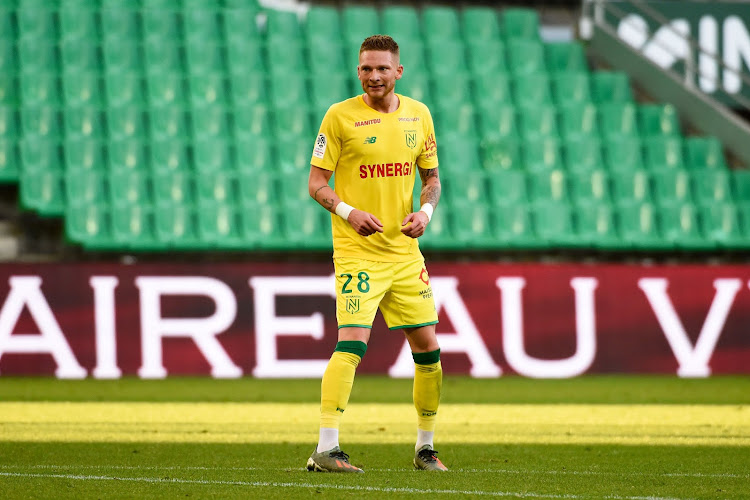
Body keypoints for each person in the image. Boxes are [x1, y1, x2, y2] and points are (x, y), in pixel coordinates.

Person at [305, 34, 447, 473]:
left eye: (382, 68)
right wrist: (348, 212)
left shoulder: (419, 116)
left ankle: (425, 449)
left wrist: (425, 212)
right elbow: (316, 184)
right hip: (358, 253)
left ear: (398, 72)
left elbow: (432, 180)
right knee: (352, 344)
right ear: (358, 71)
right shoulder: (339, 116)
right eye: (366, 68)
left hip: (405, 254)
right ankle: (327, 449)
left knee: (428, 350)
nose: (374, 76)